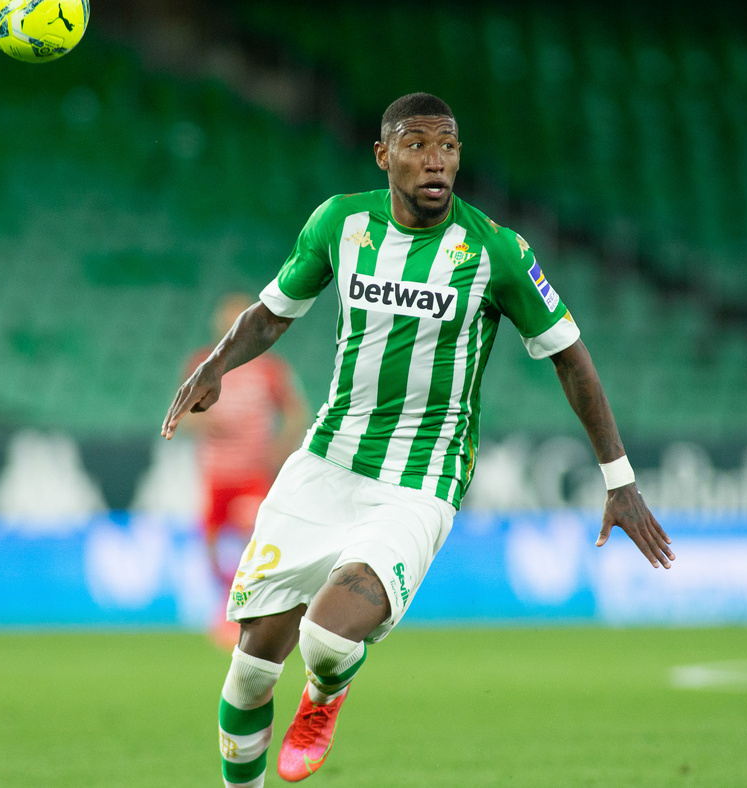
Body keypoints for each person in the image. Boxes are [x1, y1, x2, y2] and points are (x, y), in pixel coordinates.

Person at [161, 93, 672, 787]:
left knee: (326, 638)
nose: (436, 161)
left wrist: (619, 479)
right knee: (250, 671)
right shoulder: (341, 223)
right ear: (384, 155)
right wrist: (216, 365)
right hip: (327, 460)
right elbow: (273, 312)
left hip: (420, 479)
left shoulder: (495, 251)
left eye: (448, 146)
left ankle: (325, 694)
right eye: (418, 144)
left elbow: (571, 357)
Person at [183, 293, 309, 644]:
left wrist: (280, 451)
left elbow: (296, 413)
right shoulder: (203, 364)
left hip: (252, 474)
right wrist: (204, 422)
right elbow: (184, 417)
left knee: (251, 540)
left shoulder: (270, 369)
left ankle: (248, 607)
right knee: (210, 546)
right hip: (215, 472)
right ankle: (225, 601)